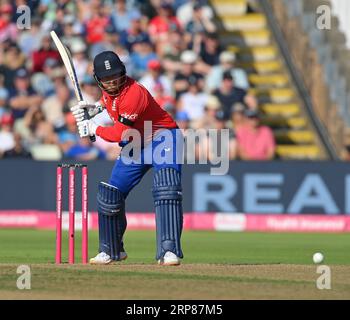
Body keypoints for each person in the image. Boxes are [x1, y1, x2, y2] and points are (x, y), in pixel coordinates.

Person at [70, 51, 184, 266]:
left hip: (163, 137)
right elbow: (109, 102)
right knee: (111, 195)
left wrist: (94, 127)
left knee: (167, 188)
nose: (112, 82)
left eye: (115, 76)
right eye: (106, 79)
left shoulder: (134, 93)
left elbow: (120, 134)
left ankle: (169, 251)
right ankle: (111, 250)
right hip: (136, 144)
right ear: (98, 79)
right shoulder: (109, 93)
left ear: (123, 73)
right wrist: (95, 108)